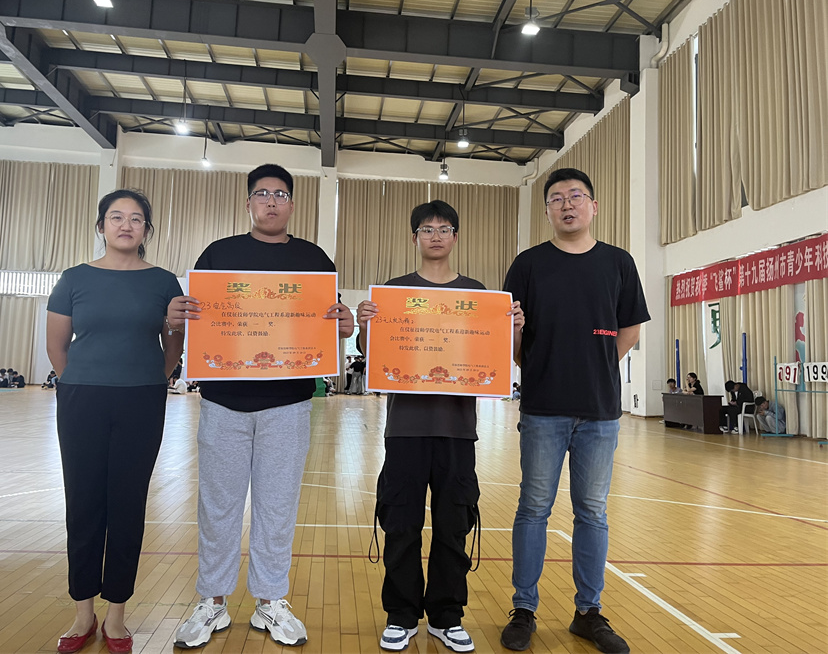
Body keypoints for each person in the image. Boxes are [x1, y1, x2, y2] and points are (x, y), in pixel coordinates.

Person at [167, 164, 354, 650]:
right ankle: (212, 600)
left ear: (291, 204)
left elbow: (331, 321)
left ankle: (270, 600)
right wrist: (179, 317)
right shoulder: (219, 254)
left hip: (288, 404)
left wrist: (345, 324)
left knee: (278, 506)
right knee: (218, 506)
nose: (272, 201)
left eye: (281, 194)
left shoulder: (313, 258)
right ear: (248, 202)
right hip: (224, 401)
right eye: (263, 193)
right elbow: (196, 317)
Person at [357, 200, 523, 652]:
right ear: (414, 237)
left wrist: (513, 327)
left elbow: (500, 355)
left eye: (444, 228)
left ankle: (447, 615)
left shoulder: (478, 294)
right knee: (401, 523)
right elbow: (373, 353)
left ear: (455, 236)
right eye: (427, 229)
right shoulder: (394, 292)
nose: (435, 235)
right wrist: (366, 325)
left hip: (457, 430)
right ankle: (401, 613)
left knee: (454, 525)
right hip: (405, 429)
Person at [500, 168, 649, 654]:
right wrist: (520, 341)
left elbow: (630, 329)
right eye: (557, 198)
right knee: (533, 509)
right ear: (546, 210)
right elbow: (513, 343)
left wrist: (599, 366)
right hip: (543, 408)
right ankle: (524, 608)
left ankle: (589, 612)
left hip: (600, 413)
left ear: (594, 206)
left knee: (593, 512)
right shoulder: (528, 265)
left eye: (576, 196)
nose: (567, 204)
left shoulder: (619, 263)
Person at [47, 188, 184, 654]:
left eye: (136, 218)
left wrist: (152, 379)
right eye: (116, 217)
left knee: (128, 505)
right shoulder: (74, 278)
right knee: (83, 502)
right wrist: (80, 383)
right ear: (102, 225)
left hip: (141, 400)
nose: (126, 225)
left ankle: (117, 615)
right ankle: (82, 613)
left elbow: (172, 344)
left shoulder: (164, 282)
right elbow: (57, 346)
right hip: (81, 400)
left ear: (147, 229)